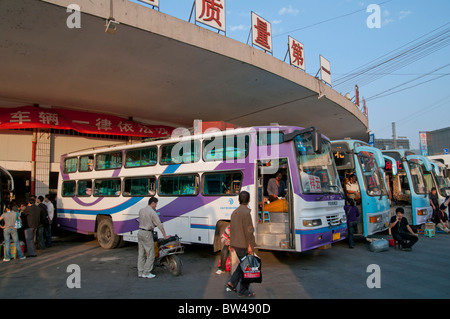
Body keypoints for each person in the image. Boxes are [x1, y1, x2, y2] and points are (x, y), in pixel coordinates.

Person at [227, 191, 257, 298]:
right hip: (244, 244)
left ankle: (233, 283)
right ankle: (242, 290)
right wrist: (250, 245)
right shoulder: (246, 213)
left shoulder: (234, 212)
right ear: (248, 200)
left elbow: (232, 229)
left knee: (243, 265)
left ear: (239, 200)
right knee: (247, 267)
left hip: (236, 244)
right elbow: (249, 231)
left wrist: (231, 243)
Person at [137, 196, 168, 279]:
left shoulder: (141, 210)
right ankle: (146, 272)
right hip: (147, 233)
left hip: (140, 232)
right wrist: (165, 235)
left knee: (141, 253)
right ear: (153, 203)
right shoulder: (152, 212)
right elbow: (159, 224)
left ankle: (140, 272)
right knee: (151, 254)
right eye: (156, 204)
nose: (156, 206)